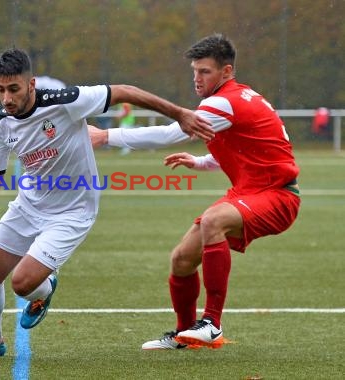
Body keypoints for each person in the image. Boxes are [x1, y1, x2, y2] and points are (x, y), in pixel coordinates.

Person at [0, 47, 212, 360]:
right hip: (28, 206)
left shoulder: (64, 101)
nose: (7, 98)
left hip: (73, 211)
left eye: (14, 89)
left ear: (31, 84)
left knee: (22, 284)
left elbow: (125, 91)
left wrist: (180, 114)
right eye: (0, 90)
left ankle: (44, 288)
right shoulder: (0, 124)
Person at [88, 33, 301, 350]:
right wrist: (201, 162)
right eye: (194, 71)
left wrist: (106, 136)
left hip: (277, 196)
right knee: (182, 259)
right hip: (251, 191)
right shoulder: (237, 99)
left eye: (205, 72)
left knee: (214, 220)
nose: (197, 79)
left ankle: (212, 324)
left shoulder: (222, 102)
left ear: (226, 72)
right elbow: (248, 149)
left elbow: (170, 133)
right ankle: (185, 333)